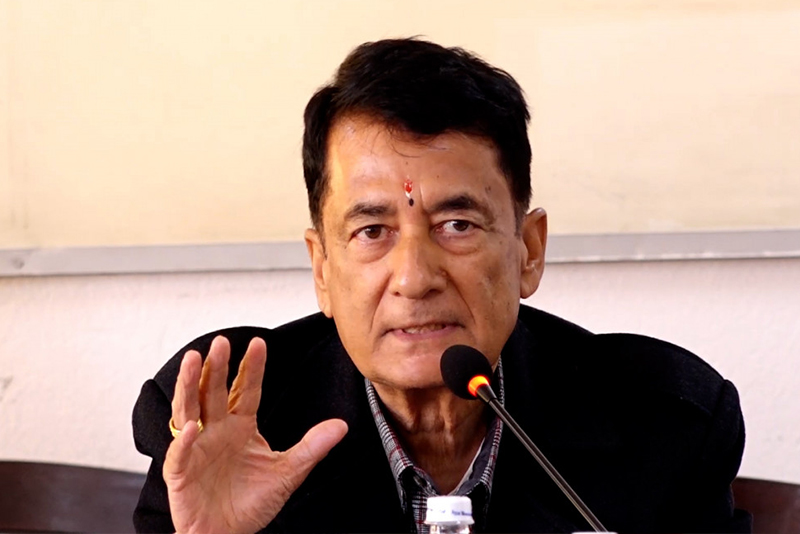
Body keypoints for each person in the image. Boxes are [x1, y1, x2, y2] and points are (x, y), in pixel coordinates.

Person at [132, 38, 749, 533]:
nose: (414, 278)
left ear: (528, 250)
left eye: (457, 225)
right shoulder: (221, 424)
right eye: (372, 231)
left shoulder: (663, 427)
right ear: (322, 269)